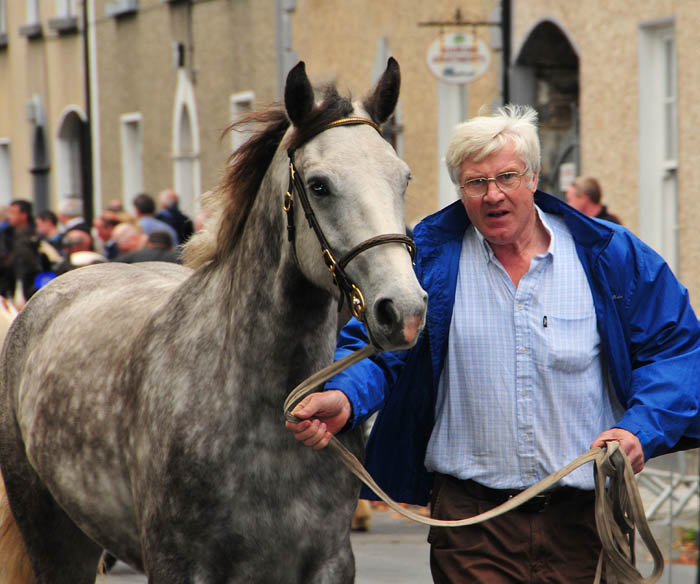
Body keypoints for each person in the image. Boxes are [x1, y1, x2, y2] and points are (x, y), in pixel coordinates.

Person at [285, 105, 700, 583]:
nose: (493, 194)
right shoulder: (430, 261)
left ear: (534, 178)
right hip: (471, 527)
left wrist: (639, 430)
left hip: (586, 523)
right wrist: (345, 396)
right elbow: (378, 351)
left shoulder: (610, 255)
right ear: (460, 190)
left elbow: (675, 352)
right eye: (475, 183)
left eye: (507, 176)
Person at [0, 199, 51, 303]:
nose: (9, 216)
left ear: (24, 215)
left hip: (33, 286)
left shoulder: (36, 236)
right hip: (9, 287)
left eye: (13, 212)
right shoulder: (5, 235)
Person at [113, 230, 181, 264]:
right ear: (170, 246)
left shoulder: (134, 255)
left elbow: (113, 264)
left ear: (148, 243)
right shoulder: (176, 257)